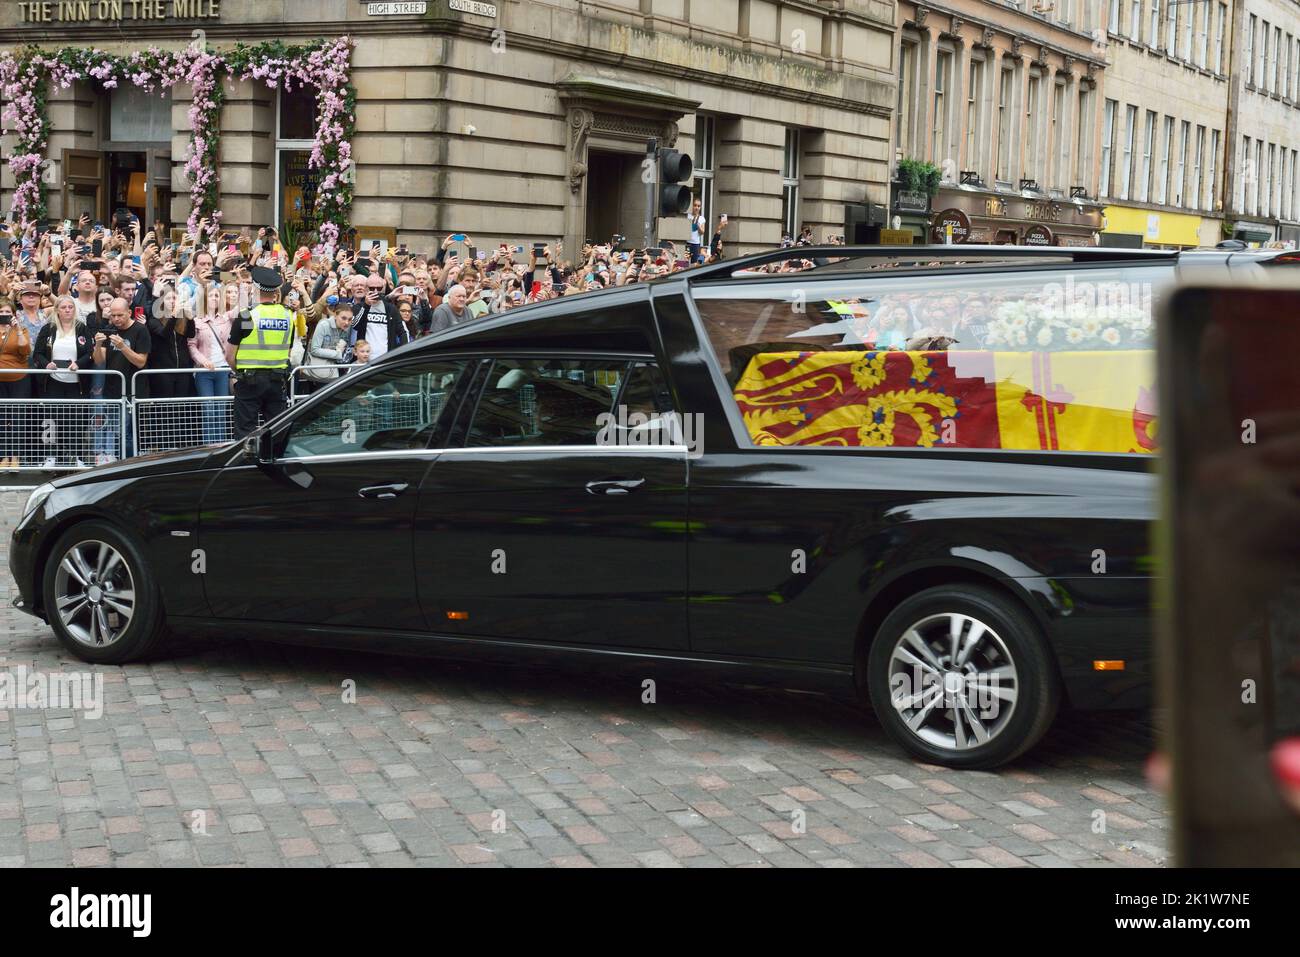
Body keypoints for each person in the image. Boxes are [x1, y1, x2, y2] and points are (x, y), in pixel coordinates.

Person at [228, 266, 294, 439]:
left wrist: (240, 371)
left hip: (249, 381)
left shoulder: (246, 316)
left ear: (256, 288)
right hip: (277, 381)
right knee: (276, 431)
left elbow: (230, 356)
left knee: (245, 432)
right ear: (275, 291)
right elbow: (288, 350)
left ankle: (244, 465)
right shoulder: (288, 316)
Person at [32, 295, 93, 468]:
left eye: (70, 307)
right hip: (53, 381)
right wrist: (47, 364)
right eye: (64, 307)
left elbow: (89, 353)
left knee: (76, 421)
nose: (67, 310)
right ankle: (51, 456)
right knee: (51, 420)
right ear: (57, 309)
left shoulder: (82, 328)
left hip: (76, 383)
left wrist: (78, 364)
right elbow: (38, 354)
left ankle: (77, 456)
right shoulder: (48, 329)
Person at [91, 297, 150, 463]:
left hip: (133, 390)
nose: (116, 319)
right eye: (113, 315)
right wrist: (97, 345)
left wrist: (123, 346)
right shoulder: (109, 330)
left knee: (127, 433)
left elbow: (141, 361)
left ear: (129, 313)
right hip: (113, 391)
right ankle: (118, 463)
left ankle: (129, 464)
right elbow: (99, 361)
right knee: (115, 431)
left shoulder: (140, 330)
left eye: (120, 315)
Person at [188, 284, 234, 445]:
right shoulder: (196, 321)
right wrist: (203, 361)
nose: (214, 299)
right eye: (211, 296)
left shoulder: (227, 318)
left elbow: (244, 312)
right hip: (204, 371)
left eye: (217, 296)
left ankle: (220, 446)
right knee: (208, 411)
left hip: (223, 369)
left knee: (221, 412)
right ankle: (209, 447)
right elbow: (191, 345)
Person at [0, 298, 32, 470]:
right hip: (0, 381)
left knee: (18, 419)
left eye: (8, 312)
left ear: (13, 314)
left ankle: (16, 456)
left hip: (19, 379)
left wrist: (17, 328)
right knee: (2, 420)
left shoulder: (22, 329)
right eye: (2, 312)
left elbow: (25, 349)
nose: (4, 315)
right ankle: (4, 455)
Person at [687, 197, 706, 264]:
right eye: (695, 205)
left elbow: (702, 232)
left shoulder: (701, 218)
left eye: (698, 206)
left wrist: (698, 225)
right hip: (687, 243)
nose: (696, 208)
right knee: (684, 262)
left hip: (695, 244)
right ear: (692, 206)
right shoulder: (688, 216)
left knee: (694, 263)